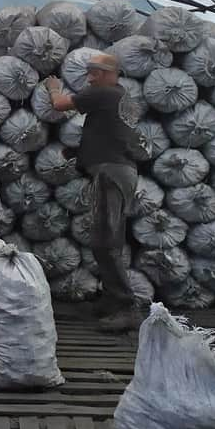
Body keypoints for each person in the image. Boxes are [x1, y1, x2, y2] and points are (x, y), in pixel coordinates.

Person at [45, 54, 144, 331]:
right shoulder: (121, 99)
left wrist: (53, 87)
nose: (90, 78)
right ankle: (112, 301)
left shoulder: (104, 92)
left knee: (106, 241)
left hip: (111, 173)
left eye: (95, 72)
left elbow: (60, 105)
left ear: (110, 73)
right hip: (118, 170)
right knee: (104, 238)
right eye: (89, 73)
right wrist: (81, 153)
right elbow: (113, 136)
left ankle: (126, 307)